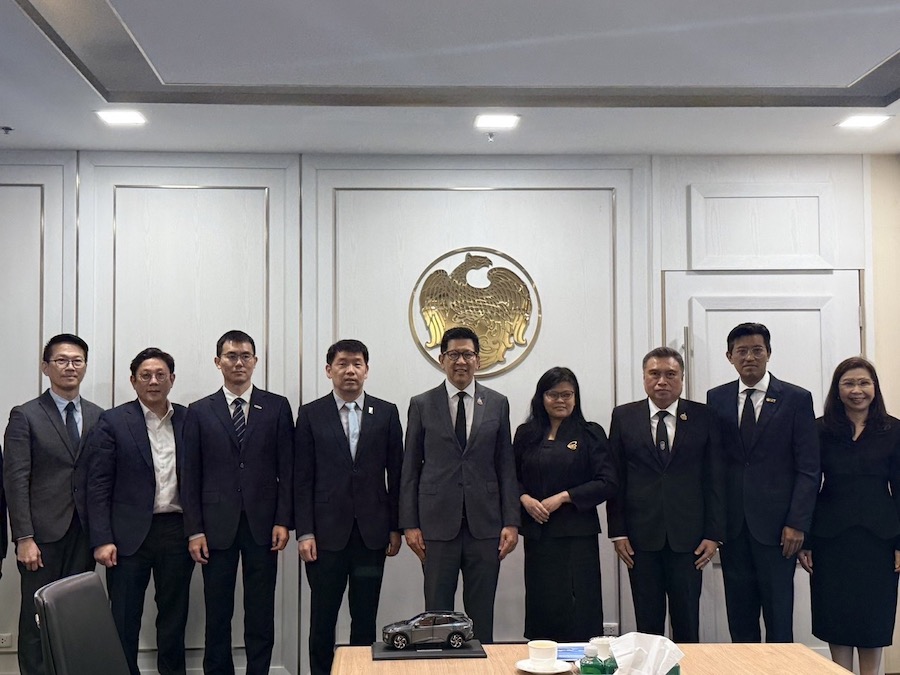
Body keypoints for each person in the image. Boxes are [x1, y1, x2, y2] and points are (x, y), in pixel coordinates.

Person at [181, 330, 294, 675]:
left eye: (246, 356)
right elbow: (190, 476)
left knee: (260, 610)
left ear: (255, 361)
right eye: (231, 356)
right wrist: (194, 530)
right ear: (218, 362)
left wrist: (283, 520)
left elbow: (288, 469)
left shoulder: (276, 406)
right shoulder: (200, 411)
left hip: (264, 525)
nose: (239, 362)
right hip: (216, 526)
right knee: (218, 611)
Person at [399, 326, 520, 644]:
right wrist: (409, 524)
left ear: (478, 360)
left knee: (481, 615)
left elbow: (506, 467)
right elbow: (410, 468)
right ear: (442, 359)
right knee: (437, 618)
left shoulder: (497, 403)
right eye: (454, 354)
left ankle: (482, 665)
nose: (461, 361)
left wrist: (511, 522)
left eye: (468, 354)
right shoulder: (421, 404)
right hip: (436, 526)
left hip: (485, 526)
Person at [295, 339, 403, 675]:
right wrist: (305, 531)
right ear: (329, 370)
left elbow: (397, 475)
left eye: (357, 364)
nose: (350, 370)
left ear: (367, 370)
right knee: (322, 618)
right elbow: (302, 478)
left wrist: (395, 527)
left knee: (365, 618)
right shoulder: (311, 414)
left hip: (371, 536)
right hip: (325, 537)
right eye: (342, 363)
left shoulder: (386, 412)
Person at [707, 322, 819, 643]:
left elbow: (809, 469)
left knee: (779, 620)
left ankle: (779, 667)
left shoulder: (796, 399)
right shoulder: (717, 398)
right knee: (740, 620)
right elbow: (715, 465)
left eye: (757, 350)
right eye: (741, 351)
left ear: (769, 353)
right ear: (729, 356)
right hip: (733, 529)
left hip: (779, 531)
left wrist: (797, 523)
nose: (749, 357)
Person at [85, 347, 195, 675]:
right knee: (123, 616)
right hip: (127, 536)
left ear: (172, 379)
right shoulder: (113, 421)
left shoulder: (189, 419)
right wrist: (102, 538)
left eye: (161, 375)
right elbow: (98, 485)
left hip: (177, 531)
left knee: (174, 616)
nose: (153, 381)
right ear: (133, 381)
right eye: (145, 375)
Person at [606, 347, 725, 643]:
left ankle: (688, 666)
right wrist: (618, 532)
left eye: (670, 374)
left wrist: (713, 533)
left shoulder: (703, 416)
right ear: (644, 377)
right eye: (654, 374)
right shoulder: (624, 416)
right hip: (640, 537)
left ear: (682, 378)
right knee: (647, 623)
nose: (662, 381)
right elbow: (615, 478)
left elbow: (715, 478)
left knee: (687, 622)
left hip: (690, 539)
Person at [3, 333, 103, 675]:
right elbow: (15, 481)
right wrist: (24, 538)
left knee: (77, 614)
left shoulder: (98, 415)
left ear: (85, 366)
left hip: (84, 534)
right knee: (36, 617)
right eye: (61, 360)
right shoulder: (26, 415)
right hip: (41, 537)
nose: (70, 367)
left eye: (77, 360)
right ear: (46, 367)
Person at [798, 357, 900, 675]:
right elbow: (808, 485)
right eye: (849, 383)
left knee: (873, 620)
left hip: (880, 540)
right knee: (836, 618)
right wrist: (806, 538)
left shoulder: (894, 429)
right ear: (837, 389)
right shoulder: (819, 429)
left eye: (864, 383)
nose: (857, 390)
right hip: (830, 539)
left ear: (875, 388)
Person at [514, 366, 617, 641]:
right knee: (542, 603)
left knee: (578, 607)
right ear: (541, 397)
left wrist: (564, 497)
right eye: (553, 394)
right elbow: (510, 476)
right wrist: (524, 499)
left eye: (567, 395)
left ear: (575, 397)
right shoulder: (526, 434)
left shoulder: (590, 433)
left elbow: (607, 481)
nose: (560, 400)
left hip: (577, 537)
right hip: (538, 535)